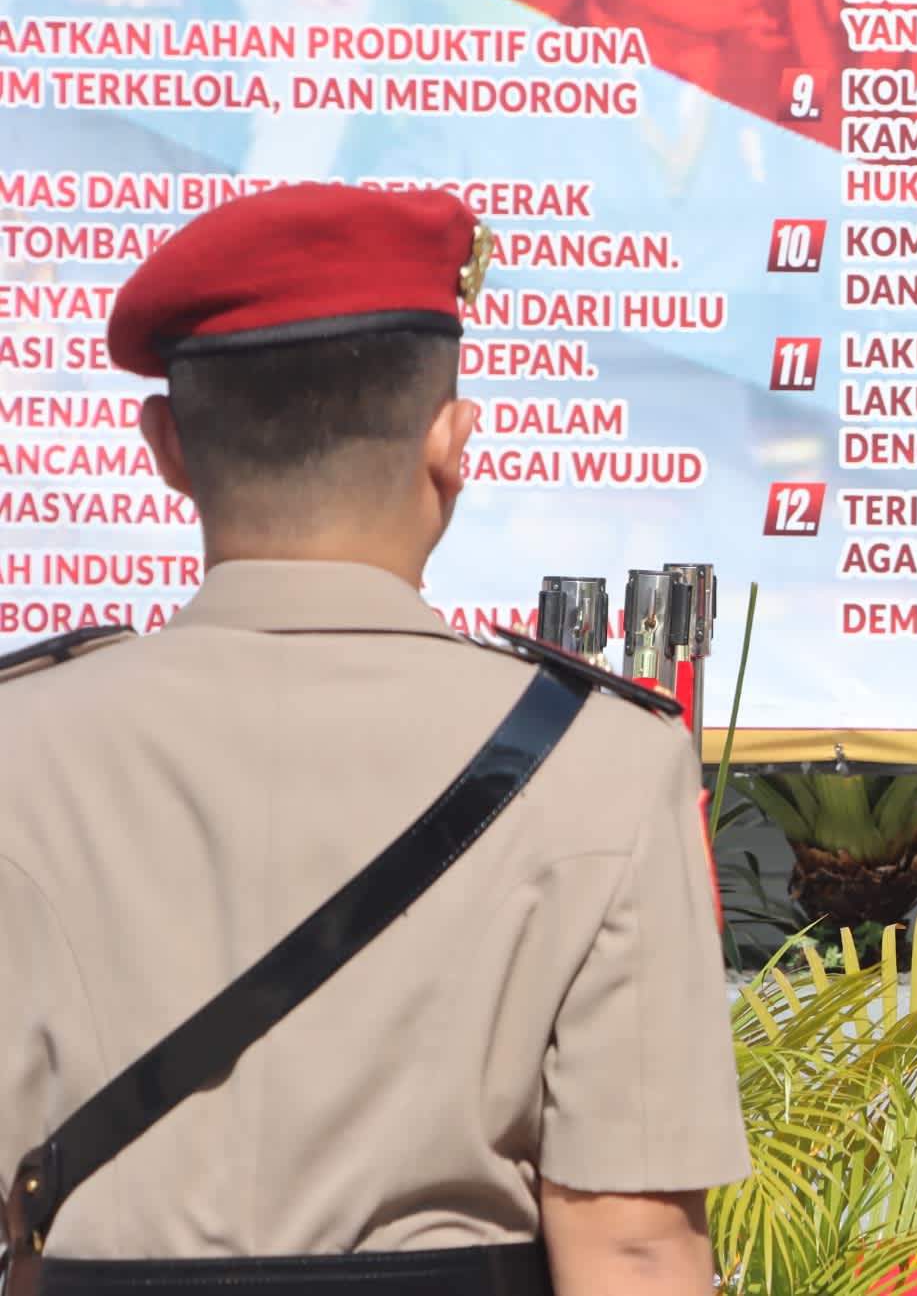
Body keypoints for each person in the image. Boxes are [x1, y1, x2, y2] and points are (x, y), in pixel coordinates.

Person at [0, 185, 748, 1296]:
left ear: (163, 445)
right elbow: (629, 1242)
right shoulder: (600, 756)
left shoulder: (21, 738)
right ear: (452, 443)